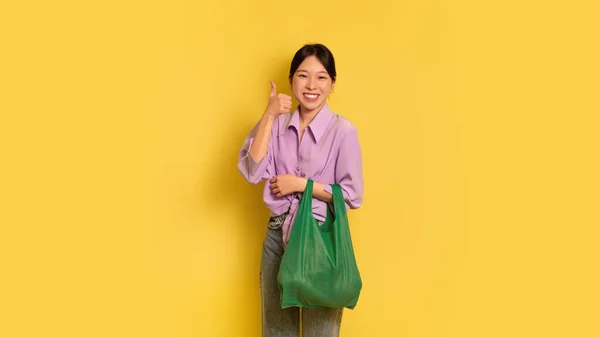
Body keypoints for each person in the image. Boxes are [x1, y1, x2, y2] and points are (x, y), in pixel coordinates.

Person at [237, 43, 364, 337]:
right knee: (276, 331)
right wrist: (268, 116)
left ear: (332, 84)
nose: (311, 85)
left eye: (321, 77)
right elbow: (251, 170)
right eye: (303, 75)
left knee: (321, 332)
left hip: (319, 239)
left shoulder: (343, 131)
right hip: (277, 237)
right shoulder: (277, 124)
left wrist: (301, 186)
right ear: (292, 79)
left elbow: (352, 195)